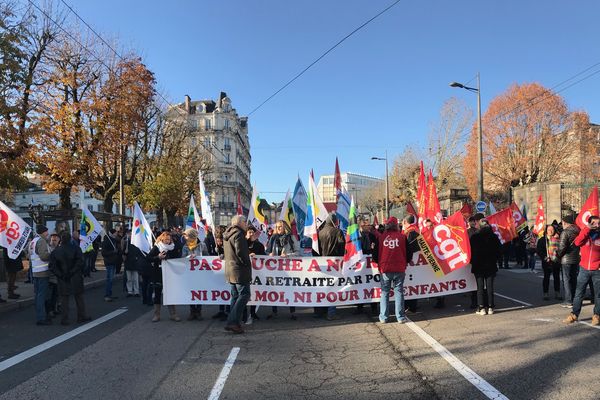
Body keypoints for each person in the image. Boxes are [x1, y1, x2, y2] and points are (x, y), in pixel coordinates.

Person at [373, 216, 412, 323]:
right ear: (396, 226)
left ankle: (384, 317)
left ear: (386, 226)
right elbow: (409, 254)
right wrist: (406, 261)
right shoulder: (402, 237)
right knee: (399, 292)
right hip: (399, 268)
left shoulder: (380, 238)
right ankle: (400, 317)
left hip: (385, 268)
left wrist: (379, 263)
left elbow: (375, 255)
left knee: (385, 292)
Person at [563, 215, 600, 326]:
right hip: (584, 269)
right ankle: (574, 314)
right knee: (579, 294)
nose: (596, 225)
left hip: (597, 270)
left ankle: (597, 316)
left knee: (598, 295)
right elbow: (577, 243)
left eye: (598, 223)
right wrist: (587, 229)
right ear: (589, 223)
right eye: (593, 223)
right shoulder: (585, 235)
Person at [49, 231, 91, 325]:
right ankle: (81, 316)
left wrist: (60, 274)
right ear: (70, 239)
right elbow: (80, 262)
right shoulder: (76, 249)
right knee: (79, 297)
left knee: (64, 299)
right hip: (75, 276)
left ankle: (65, 319)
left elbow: (52, 266)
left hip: (62, 278)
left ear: (61, 239)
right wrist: (73, 271)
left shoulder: (56, 251)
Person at [223, 215, 252, 334]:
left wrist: (248, 240)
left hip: (230, 270)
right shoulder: (239, 234)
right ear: (240, 223)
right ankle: (233, 322)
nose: (246, 224)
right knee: (244, 294)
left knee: (235, 296)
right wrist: (247, 263)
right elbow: (241, 252)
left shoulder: (228, 233)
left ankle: (233, 322)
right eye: (245, 222)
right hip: (239, 270)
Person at [266, 220, 299, 320]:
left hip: (288, 269)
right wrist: (269, 254)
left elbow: (297, 252)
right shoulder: (273, 237)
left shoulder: (291, 238)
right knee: (274, 289)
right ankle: (274, 311)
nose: (278, 228)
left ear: (285, 227)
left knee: (289, 289)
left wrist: (287, 255)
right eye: (277, 227)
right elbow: (267, 251)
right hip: (275, 270)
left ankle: (292, 312)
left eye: (280, 226)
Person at [315, 213, 345, 320]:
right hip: (335, 263)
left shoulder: (320, 233)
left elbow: (316, 249)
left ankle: (321, 311)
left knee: (324, 287)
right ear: (334, 221)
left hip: (322, 264)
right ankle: (331, 313)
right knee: (333, 288)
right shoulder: (338, 232)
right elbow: (342, 247)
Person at [147, 232, 181, 322]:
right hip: (158, 274)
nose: (168, 241)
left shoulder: (173, 247)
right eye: (166, 239)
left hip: (170, 274)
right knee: (157, 294)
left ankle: (173, 314)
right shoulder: (157, 247)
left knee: (170, 293)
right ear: (162, 239)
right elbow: (148, 258)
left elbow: (178, 258)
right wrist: (158, 257)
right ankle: (156, 315)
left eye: (169, 239)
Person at [470, 218, 501, 315]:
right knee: (490, 287)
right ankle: (491, 307)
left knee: (480, 287)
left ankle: (481, 307)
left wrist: (472, 261)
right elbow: (499, 252)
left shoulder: (475, 237)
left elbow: (471, 252)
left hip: (478, 265)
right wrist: (495, 260)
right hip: (491, 265)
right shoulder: (494, 237)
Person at [182, 228, 208, 320]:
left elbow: (207, 257)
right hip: (190, 273)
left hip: (200, 272)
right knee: (191, 291)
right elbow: (182, 259)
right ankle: (192, 311)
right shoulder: (185, 247)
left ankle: (199, 311)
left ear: (191, 236)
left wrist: (199, 258)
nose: (184, 237)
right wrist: (189, 257)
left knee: (199, 291)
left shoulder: (202, 245)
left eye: (186, 235)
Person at [556, 214, 581, 308]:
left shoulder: (565, 232)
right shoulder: (578, 231)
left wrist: (557, 256)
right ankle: (574, 299)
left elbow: (562, 247)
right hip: (576, 258)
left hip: (566, 259)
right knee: (574, 279)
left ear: (565, 223)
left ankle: (568, 300)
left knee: (566, 280)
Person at [355, 217, 378, 315]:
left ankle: (374, 307)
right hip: (360, 266)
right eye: (365, 225)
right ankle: (360, 307)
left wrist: (373, 249)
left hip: (371, 266)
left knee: (372, 285)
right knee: (360, 285)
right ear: (361, 225)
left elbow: (377, 248)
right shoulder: (357, 236)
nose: (368, 227)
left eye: (368, 225)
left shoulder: (372, 236)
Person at [29, 225, 52, 325]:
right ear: (42, 232)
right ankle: (41, 318)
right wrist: (52, 254)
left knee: (38, 295)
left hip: (35, 272)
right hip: (43, 272)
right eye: (46, 232)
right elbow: (43, 256)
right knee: (42, 296)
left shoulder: (33, 241)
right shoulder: (41, 241)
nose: (47, 234)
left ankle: (40, 315)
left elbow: (29, 255)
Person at [244, 225, 265, 324]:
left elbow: (264, 257)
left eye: (253, 232)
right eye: (249, 232)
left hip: (256, 273)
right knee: (244, 293)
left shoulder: (259, 245)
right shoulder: (242, 244)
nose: (251, 234)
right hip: (244, 271)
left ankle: (253, 312)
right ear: (246, 233)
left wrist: (257, 256)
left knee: (254, 292)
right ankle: (243, 313)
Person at [537, 225, 561, 300]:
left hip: (556, 261)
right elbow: (539, 250)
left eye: (552, 229)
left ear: (554, 230)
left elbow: (561, 249)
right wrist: (544, 257)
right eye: (549, 229)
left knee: (556, 277)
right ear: (546, 231)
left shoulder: (558, 239)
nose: (550, 231)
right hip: (546, 261)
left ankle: (557, 292)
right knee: (546, 277)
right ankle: (545, 293)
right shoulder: (542, 240)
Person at [402, 215, 420, 313]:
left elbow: (408, 247)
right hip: (415, 263)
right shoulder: (416, 230)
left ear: (405, 222)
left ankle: (410, 305)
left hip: (410, 262)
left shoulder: (409, 232)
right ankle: (412, 305)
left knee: (409, 284)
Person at [101, 229, 120, 302]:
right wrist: (113, 252)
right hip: (109, 262)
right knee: (109, 279)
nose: (116, 234)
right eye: (115, 233)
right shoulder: (107, 241)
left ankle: (110, 294)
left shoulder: (114, 240)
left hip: (113, 261)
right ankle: (107, 295)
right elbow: (103, 253)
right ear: (112, 234)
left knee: (111, 279)